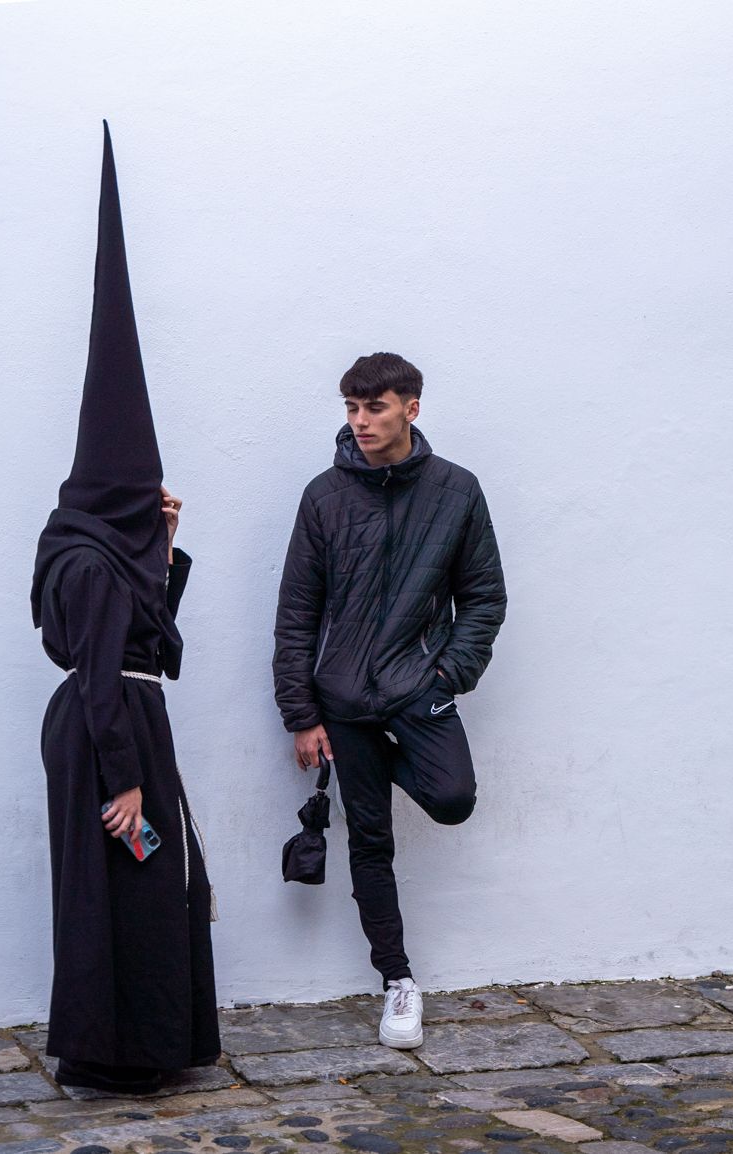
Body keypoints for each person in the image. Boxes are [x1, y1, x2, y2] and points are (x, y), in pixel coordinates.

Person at [31, 124, 219, 1094]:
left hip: (104, 719)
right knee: (139, 887)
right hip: (115, 727)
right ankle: (127, 1059)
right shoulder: (98, 569)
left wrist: (164, 546)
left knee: (109, 893)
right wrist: (129, 780)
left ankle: (109, 1049)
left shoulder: (82, 544)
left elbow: (151, 645)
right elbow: (114, 671)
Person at [272, 352, 506, 1049]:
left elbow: (484, 598)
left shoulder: (456, 490)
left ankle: (375, 751)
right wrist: (302, 715)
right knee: (370, 842)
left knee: (453, 797)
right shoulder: (324, 496)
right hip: (342, 698)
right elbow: (296, 614)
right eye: (351, 407)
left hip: (418, 688)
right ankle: (398, 981)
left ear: (411, 408)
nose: (360, 421)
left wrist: (447, 675)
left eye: (374, 407)